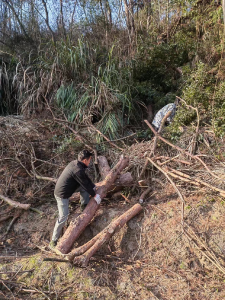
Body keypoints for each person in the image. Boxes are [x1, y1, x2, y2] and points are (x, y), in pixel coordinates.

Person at [49, 149, 101, 249]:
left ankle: (84, 205)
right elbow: (85, 183)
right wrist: (95, 195)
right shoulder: (77, 170)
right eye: (90, 159)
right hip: (62, 194)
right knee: (63, 216)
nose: (90, 161)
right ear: (85, 160)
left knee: (86, 188)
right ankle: (53, 241)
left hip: (70, 188)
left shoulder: (76, 164)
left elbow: (85, 179)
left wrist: (93, 186)